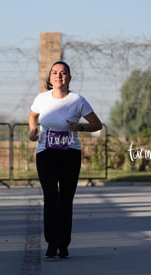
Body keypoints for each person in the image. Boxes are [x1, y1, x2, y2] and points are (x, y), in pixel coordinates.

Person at [28, 60, 102, 258]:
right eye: (55, 72)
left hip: (70, 153)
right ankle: (51, 242)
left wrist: (79, 127)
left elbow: (97, 124)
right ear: (50, 78)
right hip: (46, 153)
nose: (58, 76)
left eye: (63, 73)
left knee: (66, 198)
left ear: (69, 77)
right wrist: (33, 131)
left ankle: (64, 244)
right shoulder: (42, 98)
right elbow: (32, 115)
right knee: (50, 196)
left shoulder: (77, 100)